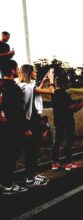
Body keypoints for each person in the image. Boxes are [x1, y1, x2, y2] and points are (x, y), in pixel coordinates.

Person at [18, 64, 54, 187]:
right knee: (32, 151)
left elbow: (34, 93)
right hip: (31, 122)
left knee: (32, 150)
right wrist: (52, 80)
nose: (36, 73)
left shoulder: (24, 86)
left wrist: (43, 82)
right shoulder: (28, 87)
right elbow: (51, 92)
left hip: (30, 121)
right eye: (34, 72)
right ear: (29, 73)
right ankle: (30, 178)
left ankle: (32, 174)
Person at [0, 60, 29, 195]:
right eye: (17, 68)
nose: (18, 71)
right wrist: (25, 129)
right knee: (11, 156)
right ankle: (7, 185)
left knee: (5, 156)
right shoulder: (13, 87)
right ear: (12, 70)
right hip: (12, 128)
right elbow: (18, 111)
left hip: (5, 128)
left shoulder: (2, 85)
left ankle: (5, 182)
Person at [51, 76, 83, 171]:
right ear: (63, 83)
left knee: (57, 142)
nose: (69, 84)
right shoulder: (64, 95)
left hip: (58, 121)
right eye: (68, 82)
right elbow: (73, 108)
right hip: (67, 121)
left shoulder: (54, 94)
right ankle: (69, 163)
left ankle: (55, 163)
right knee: (67, 142)